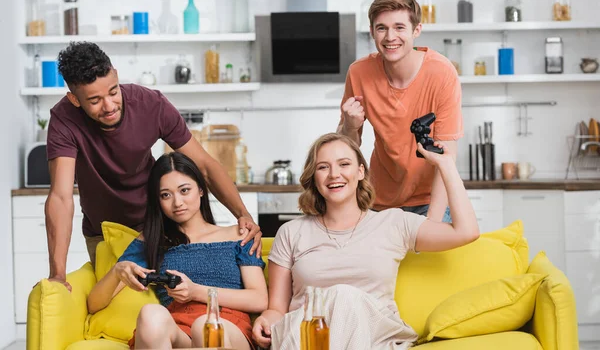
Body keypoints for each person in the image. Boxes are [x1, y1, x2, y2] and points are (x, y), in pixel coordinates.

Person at [45, 41, 262, 291]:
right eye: (94, 100)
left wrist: (242, 215)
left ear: (115, 74)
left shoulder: (150, 104)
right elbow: (61, 197)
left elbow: (203, 165)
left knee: (167, 301)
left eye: (113, 92)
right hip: (102, 232)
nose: (109, 106)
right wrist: (57, 275)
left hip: (156, 226)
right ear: (74, 99)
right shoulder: (64, 120)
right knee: (109, 305)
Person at [252, 133, 479, 349]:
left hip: (372, 337)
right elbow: (277, 309)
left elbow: (466, 231)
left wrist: (446, 165)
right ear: (314, 177)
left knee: (344, 296)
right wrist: (266, 319)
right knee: (330, 307)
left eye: (344, 164)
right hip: (306, 335)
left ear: (360, 171)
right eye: (323, 167)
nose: (334, 174)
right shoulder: (291, 232)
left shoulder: (393, 223)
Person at [87, 152, 268, 349]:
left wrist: (196, 291)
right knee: (150, 313)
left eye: (184, 190)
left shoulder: (240, 235)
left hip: (227, 326)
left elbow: (259, 299)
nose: (177, 203)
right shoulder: (153, 240)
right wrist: (116, 272)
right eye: (166, 195)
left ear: (200, 189)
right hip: (179, 328)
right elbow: (94, 304)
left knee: (204, 326)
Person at [337, 0, 463, 223]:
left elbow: (447, 158)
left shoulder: (442, 73)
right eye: (381, 28)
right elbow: (344, 150)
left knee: (429, 256)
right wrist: (350, 125)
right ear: (373, 31)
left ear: (416, 30)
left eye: (399, 27)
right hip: (378, 202)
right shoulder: (359, 73)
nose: (390, 36)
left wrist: (432, 226)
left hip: (431, 200)